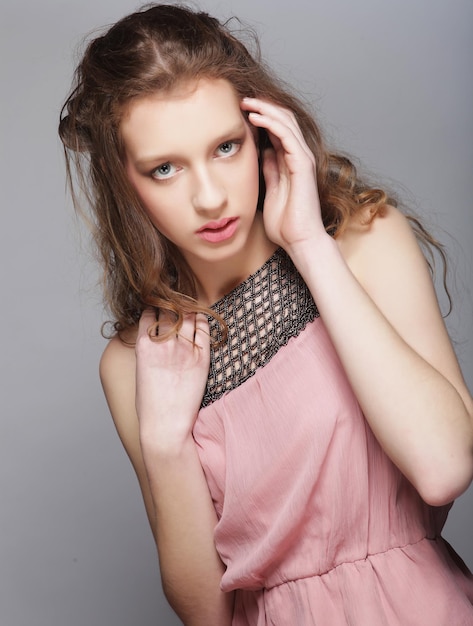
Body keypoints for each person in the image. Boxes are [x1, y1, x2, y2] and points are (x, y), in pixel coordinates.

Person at [59, 4, 473, 624]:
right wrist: (166, 445)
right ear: (126, 183)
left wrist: (310, 249)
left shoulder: (362, 241)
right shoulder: (134, 362)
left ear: (262, 134)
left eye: (225, 147)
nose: (208, 196)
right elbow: (206, 613)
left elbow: (443, 468)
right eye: (164, 168)